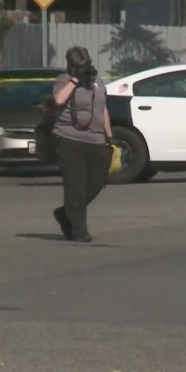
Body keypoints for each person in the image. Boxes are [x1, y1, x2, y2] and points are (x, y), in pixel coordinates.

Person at [50, 46, 113, 243]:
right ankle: (79, 230)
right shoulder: (63, 80)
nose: (83, 69)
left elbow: (102, 109)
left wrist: (109, 136)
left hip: (96, 140)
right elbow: (59, 100)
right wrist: (74, 80)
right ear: (70, 66)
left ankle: (65, 213)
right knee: (75, 186)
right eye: (78, 66)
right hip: (69, 139)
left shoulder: (97, 81)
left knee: (95, 183)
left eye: (85, 65)